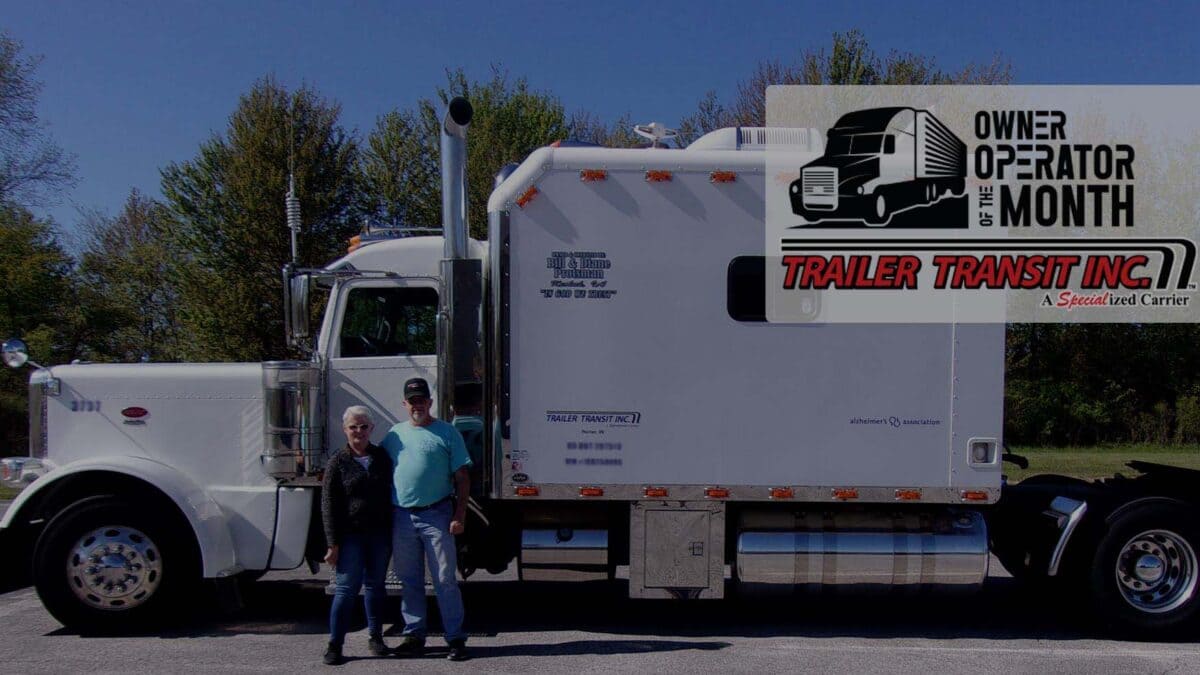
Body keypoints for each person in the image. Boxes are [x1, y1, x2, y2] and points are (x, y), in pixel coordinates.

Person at [382, 378, 473, 662]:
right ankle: (414, 635)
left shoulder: (447, 433)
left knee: (445, 579)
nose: (417, 404)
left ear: (430, 403)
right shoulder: (394, 435)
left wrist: (459, 515)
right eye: (412, 400)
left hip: (437, 514)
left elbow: (462, 478)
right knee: (410, 580)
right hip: (402, 516)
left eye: (422, 399)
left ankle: (455, 638)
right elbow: (379, 471)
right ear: (404, 404)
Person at [321, 406, 394, 665]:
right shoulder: (337, 462)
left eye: (364, 426)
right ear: (345, 429)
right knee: (345, 589)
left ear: (371, 429)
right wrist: (333, 543)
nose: (359, 431)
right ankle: (335, 644)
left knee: (376, 587)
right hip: (350, 536)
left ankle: (376, 637)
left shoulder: (382, 457)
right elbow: (328, 505)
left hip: (379, 535)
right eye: (353, 427)